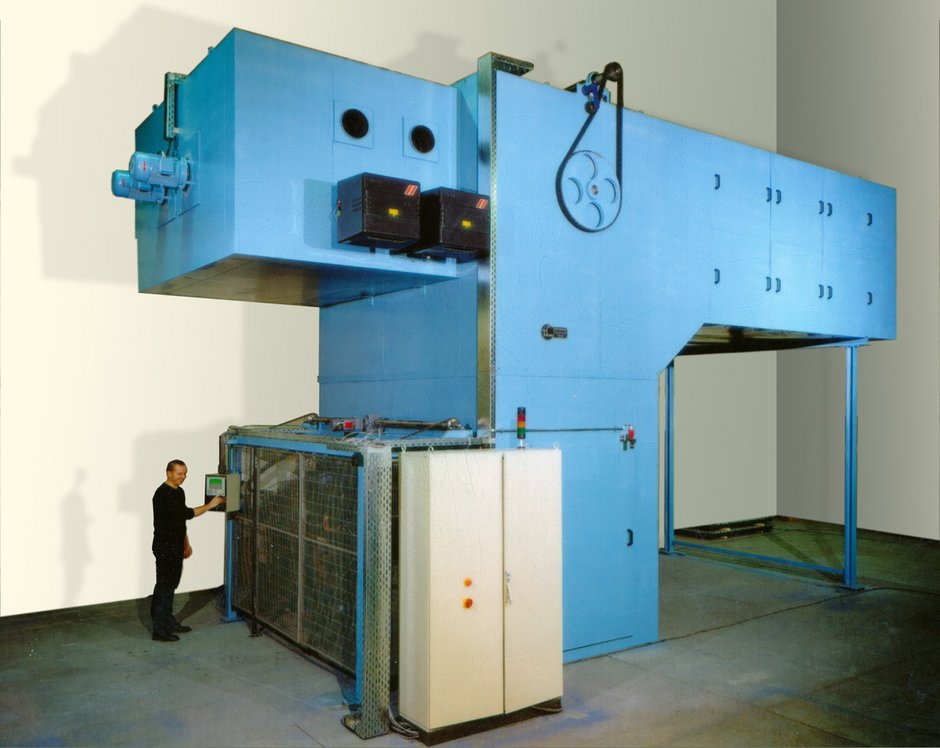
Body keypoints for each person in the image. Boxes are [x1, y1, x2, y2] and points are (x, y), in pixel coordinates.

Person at [151, 459, 224, 642]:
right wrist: (210, 505)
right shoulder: (162, 494)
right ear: (168, 473)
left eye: (185, 474)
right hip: (165, 547)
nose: (183, 477)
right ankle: (159, 631)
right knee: (164, 588)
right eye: (179, 473)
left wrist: (186, 543)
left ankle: (169, 622)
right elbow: (187, 514)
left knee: (171, 586)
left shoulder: (179, 491)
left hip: (175, 545)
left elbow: (179, 522)